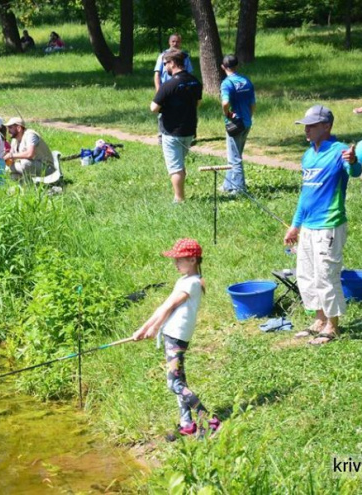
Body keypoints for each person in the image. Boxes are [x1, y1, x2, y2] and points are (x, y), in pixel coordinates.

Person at [284, 105, 362, 346]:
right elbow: (305, 195)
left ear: (326, 127)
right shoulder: (308, 155)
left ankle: (332, 326)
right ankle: (319, 319)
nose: (306, 129)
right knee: (306, 274)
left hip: (329, 224)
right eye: (305, 125)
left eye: (312, 125)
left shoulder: (339, 152)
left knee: (326, 275)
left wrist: (354, 161)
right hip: (307, 225)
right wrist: (295, 226)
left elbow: (354, 170)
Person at [131, 238, 220, 441]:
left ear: (192, 259)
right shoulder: (183, 281)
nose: (175, 263)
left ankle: (209, 421)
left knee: (175, 383)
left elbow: (167, 307)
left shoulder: (192, 283)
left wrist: (150, 328)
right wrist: (146, 328)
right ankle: (187, 424)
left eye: (179, 260)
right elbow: (163, 307)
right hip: (171, 334)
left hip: (177, 337)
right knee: (180, 379)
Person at [151, 49, 202, 203]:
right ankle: (180, 194)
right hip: (189, 131)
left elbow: (153, 108)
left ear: (172, 63)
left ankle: (179, 199)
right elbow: (198, 103)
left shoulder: (169, 84)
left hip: (172, 132)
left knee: (175, 167)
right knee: (179, 163)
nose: (164, 66)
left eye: (165, 63)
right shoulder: (195, 81)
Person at [220, 54, 256, 195]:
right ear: (237, 65)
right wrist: (249, 118)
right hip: (246, 122)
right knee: (235, 155)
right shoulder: (246, 81)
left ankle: (239, 189)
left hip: (235, 124)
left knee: (234, 158)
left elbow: (225, 102)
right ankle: (228, 185)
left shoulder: (226, 83)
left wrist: (227, 114)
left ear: (223, 67)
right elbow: (253, 104)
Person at [2, 117, 56, 181]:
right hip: (32, 166)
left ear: (19, 128)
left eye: (10, 127)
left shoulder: (30, 135)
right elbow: (11, 159)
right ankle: (26, 186)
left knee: (25, 163)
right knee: (7, 169)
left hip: (47, 168)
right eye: (7, 128)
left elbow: (30, 154)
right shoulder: (14, 140)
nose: (8, 130)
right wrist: (3, 157)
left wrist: (11, 155)